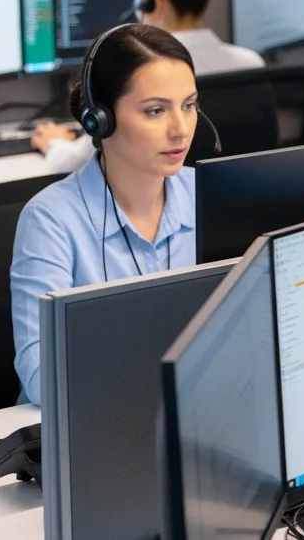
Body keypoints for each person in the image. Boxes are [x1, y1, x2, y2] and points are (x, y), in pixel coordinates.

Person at [11, 24, 200, 406]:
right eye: (155, 110)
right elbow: (41, 376)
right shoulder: (51, 220)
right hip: (92, 426)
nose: (180, 129)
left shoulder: (210, 194)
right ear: (100, 118)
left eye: (189, 105)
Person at [31, 0, 261, 172]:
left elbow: (75, 164)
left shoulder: (143, 74)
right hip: (240, 200)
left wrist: (53, 142)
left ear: (153, 2)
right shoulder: (252, 64)